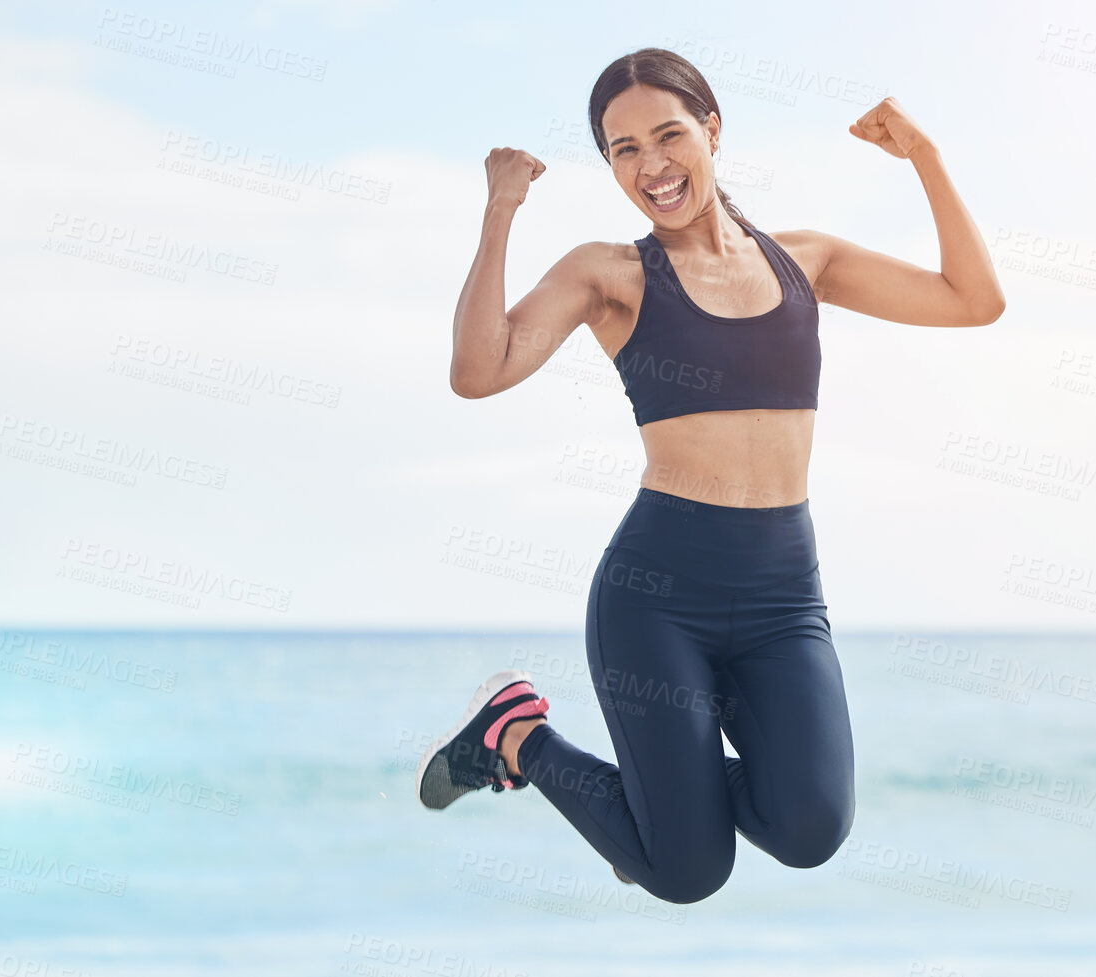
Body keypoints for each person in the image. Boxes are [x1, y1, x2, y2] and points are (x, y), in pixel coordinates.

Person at [418, 46, 1004, 905]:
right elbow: (480, 369)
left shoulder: (807, 260)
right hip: (659, 597)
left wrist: (924, 154)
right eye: (623, 150)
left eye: (668, 135)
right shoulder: (608, 274)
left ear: (713, 131)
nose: (652, 165)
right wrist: (500, 210)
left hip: (783, 597)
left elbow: (972, 299)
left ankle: (655, 808)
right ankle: (516, 735)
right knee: (689, 873)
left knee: (811, 828)